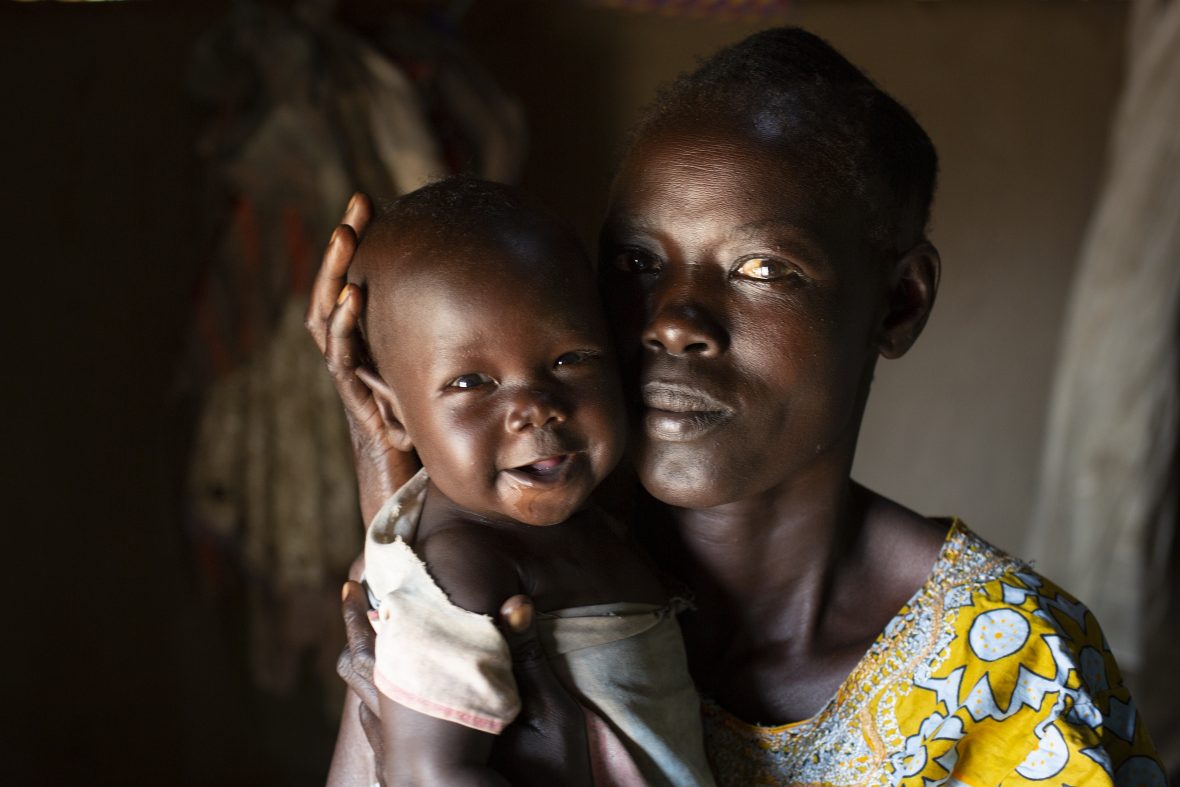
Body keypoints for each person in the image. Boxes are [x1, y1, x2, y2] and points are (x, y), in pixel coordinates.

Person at [309, 27, 1166, 786]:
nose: (676, 321)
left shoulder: (1009, 674)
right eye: (639, 263)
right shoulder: (497, 569)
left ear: (899, 302)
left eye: (764, 269)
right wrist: (399, 479)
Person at [331, 176, 714, 786]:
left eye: (570, 359)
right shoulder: (460, 574)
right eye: (471, 383)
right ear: (392, 412)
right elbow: (426, 775)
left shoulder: (596, 522)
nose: (536, 407)